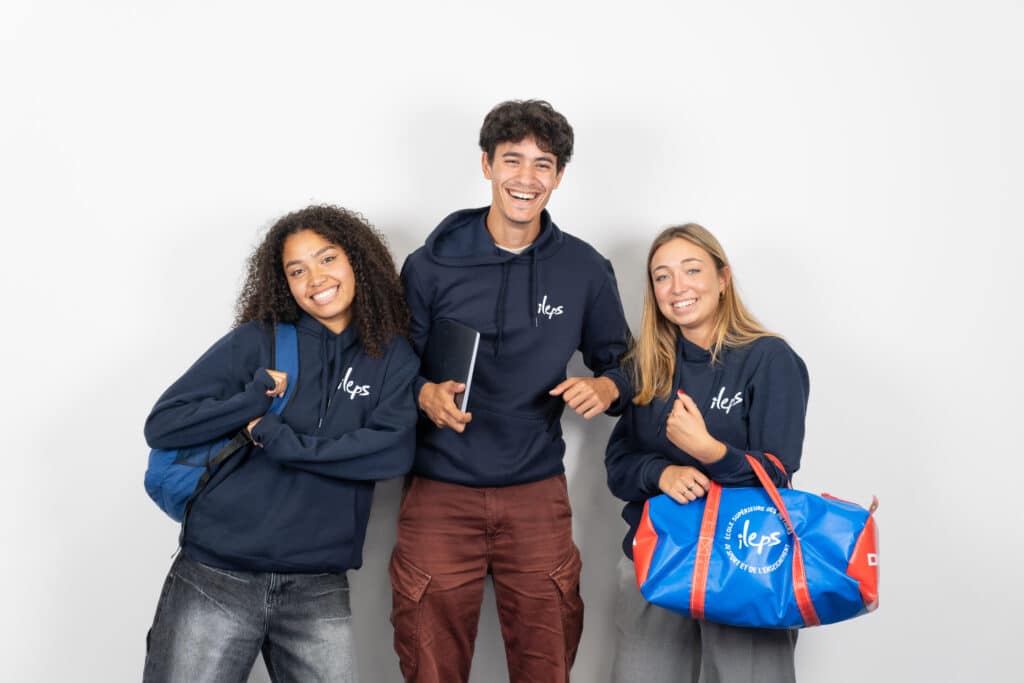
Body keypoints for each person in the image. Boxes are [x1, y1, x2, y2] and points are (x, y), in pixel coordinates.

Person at [389, 99, 632, 683]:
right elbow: (389, 367)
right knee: (431, 668)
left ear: (559, 176)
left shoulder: (584, 269)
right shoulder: (429, 266)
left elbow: (627, 364)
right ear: (487, 165)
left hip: (535, 495)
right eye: (512, 160)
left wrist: (607, 386)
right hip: (439, 494)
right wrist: (423, 394)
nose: (526, 178)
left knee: (547, 665)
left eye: (543, 164)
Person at [142, 205, 418, 682]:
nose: (316, 278)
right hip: (216, 573)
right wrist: (249, 401)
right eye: (297, 270)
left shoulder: (392, 358)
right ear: (284, 283)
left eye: (327, 259)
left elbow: (391, 453)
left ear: (356, 261)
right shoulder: (259, 341)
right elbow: (163, 425)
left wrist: (275, 436)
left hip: (317, 584)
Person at [604, 223, 809, 683]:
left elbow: (778, 472)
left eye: (692, 270)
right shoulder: (648, 365)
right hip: (657, 557)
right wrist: (662, 474)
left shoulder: (769, 357)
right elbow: (618, 465)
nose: (677, 287)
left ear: (723, 278)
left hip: (747, 562)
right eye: (662, 276)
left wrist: (709, 451)